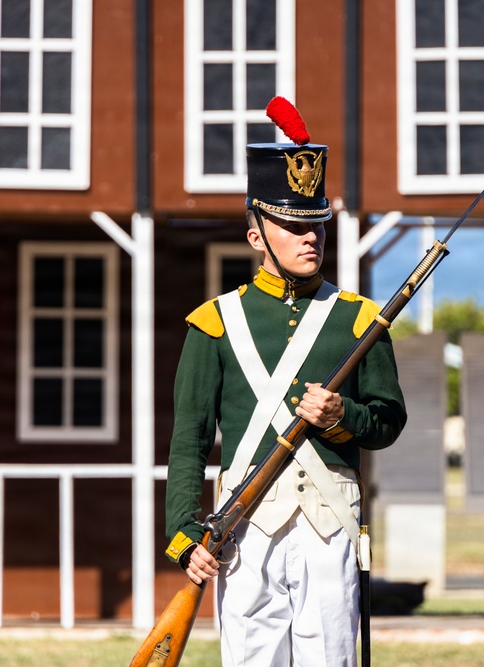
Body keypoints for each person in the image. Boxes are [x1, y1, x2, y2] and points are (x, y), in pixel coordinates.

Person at [164, 98, 406, 666]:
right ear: (257, 238)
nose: (310, 238)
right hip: (243, 534)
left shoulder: (359, 320)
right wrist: (183, 534)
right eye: (294, 226)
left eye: (316, 225)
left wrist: (342, 416)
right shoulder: (214, 322)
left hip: (331, 526)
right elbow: (189, 440)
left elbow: (389, 421)